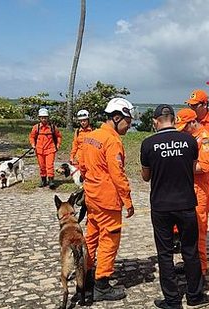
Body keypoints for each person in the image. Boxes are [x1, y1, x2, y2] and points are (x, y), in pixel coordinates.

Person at [140, 104, 209, 309]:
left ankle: (172, 300)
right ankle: (195, 297)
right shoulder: (190, 141)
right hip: (186, 204)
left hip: (161, 206)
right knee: (190, 251)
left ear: (155, 121)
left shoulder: (148, 144)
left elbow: (146, 177)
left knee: (165, 254)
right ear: (172, 119)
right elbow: (192, 168)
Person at [78, 98, 136, 302]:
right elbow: (117, 174)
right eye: (127, 122)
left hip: (91, 196)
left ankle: (85, 276)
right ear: (117, 117)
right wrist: (127, 200)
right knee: (109, 240)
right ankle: (102, 284)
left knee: (91, 237)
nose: (129, 126)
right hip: (107, 199)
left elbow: (81, 165)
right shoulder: (112, 141)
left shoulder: (90, 136)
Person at [175, 108, 209, 275]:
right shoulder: (190, 138)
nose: (183, 130)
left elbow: (204, 166)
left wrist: (180, 165)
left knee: (198, 230)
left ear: (193, 122)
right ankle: (189, 263)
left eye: (185, 126)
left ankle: (201, 267)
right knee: (186, 231)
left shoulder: (206, 140)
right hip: (187, 189)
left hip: (199, 191)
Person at [29, 107, 62, 189]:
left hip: (50, 149)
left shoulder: (53, 127)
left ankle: (51, 181)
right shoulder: (36, 127)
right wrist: (33, 144)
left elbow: (58, 136)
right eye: (42, 118)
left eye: (45, 118)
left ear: (48, 118)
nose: (44, 119)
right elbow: (32, 137)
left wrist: (57, 146)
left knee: (49, 165)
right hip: (39, 150)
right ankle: (43, 180)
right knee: (42, 166)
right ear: (39, 118)